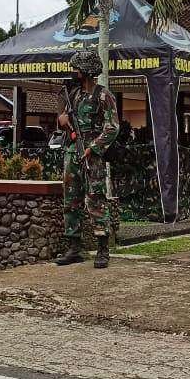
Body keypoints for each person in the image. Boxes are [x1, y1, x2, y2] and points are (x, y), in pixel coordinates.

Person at [55, 49, 120, 269]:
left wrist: (93, 147)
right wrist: (62, 121)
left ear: (86, 70)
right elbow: (64, 119)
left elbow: (112, 127)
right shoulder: (74, 95)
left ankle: (103, 249)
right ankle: (74, 248)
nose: (74, 72)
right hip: (73, 152)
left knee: (96, 200)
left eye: (77, 69)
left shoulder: (103, 95)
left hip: (93, 155)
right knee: (70, 201)